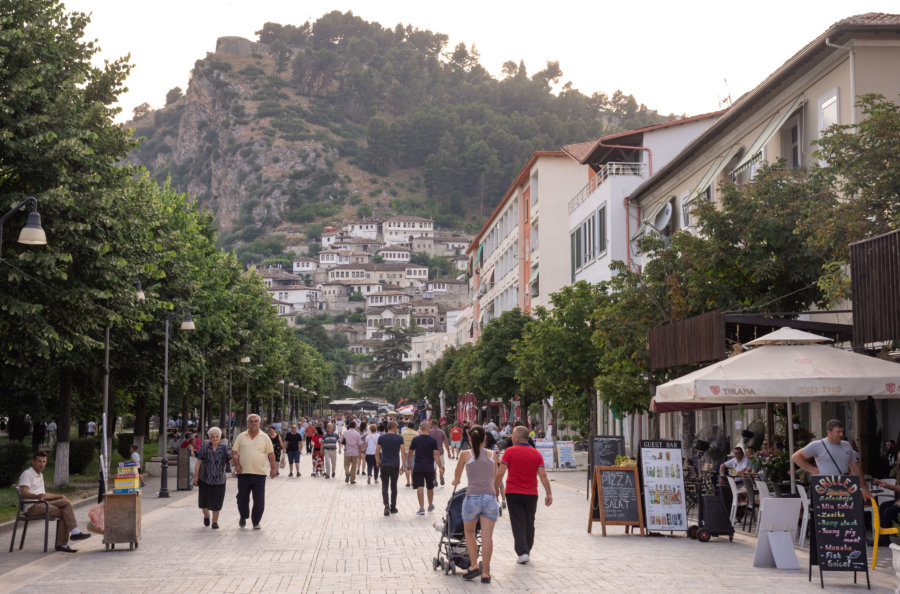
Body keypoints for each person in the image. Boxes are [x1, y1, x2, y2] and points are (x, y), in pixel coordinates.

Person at [494, 426, 553, 564]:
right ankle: (527, 550)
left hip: (513, 493)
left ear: (516, 437)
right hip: (531, 493)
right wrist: (549, 493)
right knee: (529, 522)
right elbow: (543, 475)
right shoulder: (536, 454)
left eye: (512, 436)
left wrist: (495, 488)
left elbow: (500, 472)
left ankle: (522, 552)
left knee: (517, 522)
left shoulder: (509, 452)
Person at [18, 451, 91, 552]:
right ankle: (63, 543)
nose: (42, 464)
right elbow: (24, 493)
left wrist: (59, 496)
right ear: (33, 462)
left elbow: (44, 495)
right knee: (64, 513)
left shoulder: (40, 475)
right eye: (39, 461)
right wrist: (36, 496)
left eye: (44, 462)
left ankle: (74, 533)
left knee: (65, 502)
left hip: (42, 504)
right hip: (32, 507)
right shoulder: (27, 474)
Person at [452, 426, 498, 583]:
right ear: (485, 438)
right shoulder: (493, 455)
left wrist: (455, 481)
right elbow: (493, 475)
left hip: (472, 498)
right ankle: (485, 572)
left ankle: (473, 565)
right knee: (487, 537)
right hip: (490, 498)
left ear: (469, 439)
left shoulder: (465, 454)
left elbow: (457, 477)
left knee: (470, 533)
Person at [791, 419, 872, 501]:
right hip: (824, 488)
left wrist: (864, 488)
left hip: (843, 487)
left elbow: (856, 469)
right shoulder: (817, 445)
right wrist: (812, 469)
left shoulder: (846, 445)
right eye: (838, 432)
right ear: (829, 432)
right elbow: (795, 457)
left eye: (842, 431)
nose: (841, 434)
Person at [231, 414, 277, 530]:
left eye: (256, 421)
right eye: (251, 421)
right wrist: (237, 465)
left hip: (259, 474)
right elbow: (234, 452)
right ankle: (243, 516)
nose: (254, 423)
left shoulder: (265, 437)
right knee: (242, 498)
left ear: (259, 423)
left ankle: (256, 522)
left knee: (259, 500)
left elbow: (271, 454)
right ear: (248, 423)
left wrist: (273, 468)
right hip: (243, 473)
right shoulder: (241, 436)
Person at [192, 427, 232, 529]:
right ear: (210, 438)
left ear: (220, 437)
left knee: (217, 502)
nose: (215, 439)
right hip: (205, 478)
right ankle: (206, 516)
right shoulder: (205, 447)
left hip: (219, 479)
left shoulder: (224, 447)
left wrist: (237, 464)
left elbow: (230, 459)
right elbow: (199, 461)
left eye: (217, 437)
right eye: (213, 437)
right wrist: (195, 475)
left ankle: (215, 522)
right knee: (203, 503)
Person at [408, 421, 442, 515]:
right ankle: (430, 505)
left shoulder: (415, 439)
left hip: (418, 466)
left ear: (421, 429)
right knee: (430, 486)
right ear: (429, 428)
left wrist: (408, 463)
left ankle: (421, 508)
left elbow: (410, 452)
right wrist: (440, 466)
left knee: (420, 486)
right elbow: (436, 454)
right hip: (429, 466)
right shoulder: (433, 440)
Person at [376, 420, 406, 516]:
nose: (397, 429)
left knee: (384, 486)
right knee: (394, 486)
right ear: (394, 427)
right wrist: (403, 465)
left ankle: (386, 505)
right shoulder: (399, 438)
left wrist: (378, 461)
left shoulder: (382, 437)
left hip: (384, 464)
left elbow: (377, 451)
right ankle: (393, 507)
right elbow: (403, 452)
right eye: (396, 427)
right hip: (395, 465)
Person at [430, 421, 451, 486]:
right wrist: (448, 452)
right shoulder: (441, 432)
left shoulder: (429, 432)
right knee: (442, 466)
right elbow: (445, 442)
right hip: (440, 451)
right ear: (437, 424)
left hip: (431, 452)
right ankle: (441, 476)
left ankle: (435, 481)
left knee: (433, 467)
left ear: (431, 424)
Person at [401, 421, 418, 487]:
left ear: (407, 426)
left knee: (406, 466)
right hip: (413, 452)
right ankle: (413, 482)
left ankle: (408, 482)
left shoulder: (403, 433)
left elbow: (401, 442)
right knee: (413, 467)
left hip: (405, 451)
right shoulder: (416, 433)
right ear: (413, 426)